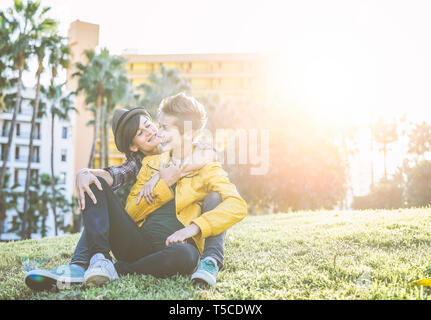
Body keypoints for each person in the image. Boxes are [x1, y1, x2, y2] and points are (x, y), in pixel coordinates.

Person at [24, 105, 227, 291]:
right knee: (94, 183)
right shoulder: (138, 164)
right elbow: (112, 175)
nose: (149, 132)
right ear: (133, 146)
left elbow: (209, 153)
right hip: (137, 242)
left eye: (148, 125)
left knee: (188, 254)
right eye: (140, 133)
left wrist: (167, 173)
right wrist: (84, 173)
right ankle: (82, 265)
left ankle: (118, 270)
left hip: (175, 245)